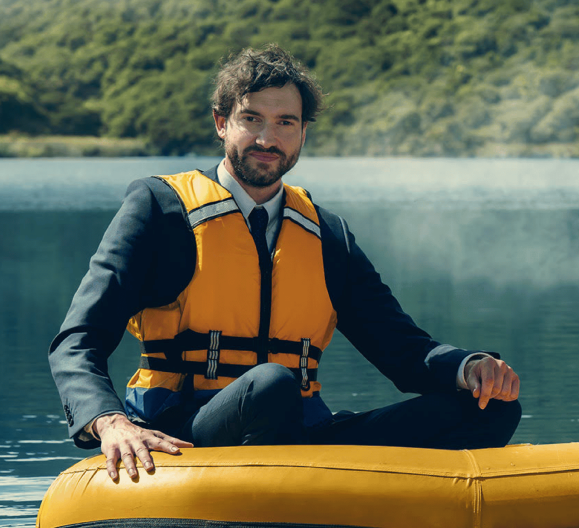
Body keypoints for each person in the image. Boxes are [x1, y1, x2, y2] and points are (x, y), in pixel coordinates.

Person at [48, 45, 521, 482]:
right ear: (221, 123)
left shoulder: (327, 233)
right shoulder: (159, 208)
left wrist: (471, 366)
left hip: (304, 436)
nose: (267, 138)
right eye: (251, 119)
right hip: (186, 434)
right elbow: (78, 340)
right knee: (273, 383)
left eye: (285, 123)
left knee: (493, 409)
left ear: (302, 132)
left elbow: (402, 348)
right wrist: (109, 422)